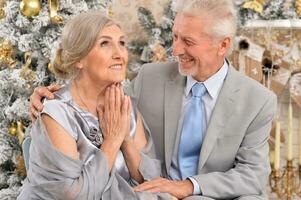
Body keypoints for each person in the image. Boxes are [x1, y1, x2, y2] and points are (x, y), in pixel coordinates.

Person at [29, 1, 277, 199]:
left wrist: (189, 187)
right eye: (175, 37)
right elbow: (95, 90)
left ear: (222, 45)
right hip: (155, 193)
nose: (175, 50)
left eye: (188, 42)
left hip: (211, 193)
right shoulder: (150, 77)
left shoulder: (258, 100)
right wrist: (50, 95)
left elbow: (251, 175)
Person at [19, 11, 173, 200]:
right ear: (79, 59)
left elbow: (152, 183)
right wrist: (112, 141)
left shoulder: (126, 106)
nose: (119, 54)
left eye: (122, 43)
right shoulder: (57, 113)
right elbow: (73, 196)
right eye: (105, 43)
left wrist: (125, 140)